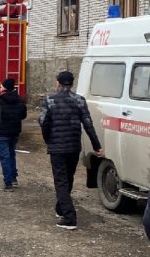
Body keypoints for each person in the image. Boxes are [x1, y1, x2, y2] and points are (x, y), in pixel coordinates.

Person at [39, 71, 103, 230]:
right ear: (72, 84)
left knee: (61, 181)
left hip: (57, 147)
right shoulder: (79, 100)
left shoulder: (49, 100)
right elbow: (88, 124)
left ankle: (69, 217)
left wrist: (48, 140)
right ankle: (61, 208)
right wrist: (97, 146)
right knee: (68, 177)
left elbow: (43, 122)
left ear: (58, 83)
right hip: (74, 146)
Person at [0, 78, 27, 192]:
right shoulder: (20, 100)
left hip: (2, 132)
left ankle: (8, 182)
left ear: (4, 88)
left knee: (4, 156)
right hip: (15, 131)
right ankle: (14, 178)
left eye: (1, 86)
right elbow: (23, 116)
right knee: (11, 154)